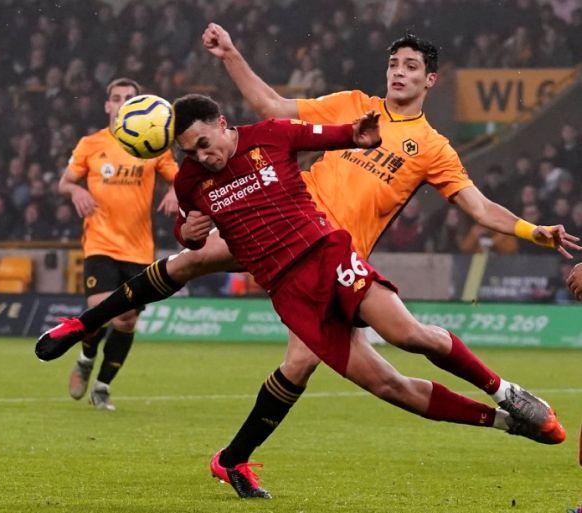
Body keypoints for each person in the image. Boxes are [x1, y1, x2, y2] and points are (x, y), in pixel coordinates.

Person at [36, 33, 577, 494]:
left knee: (358, 367)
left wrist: (534, 230)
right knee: (188, 261)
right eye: (393, 63)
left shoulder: (432, 147)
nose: (399, 73)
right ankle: (83, 325)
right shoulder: (350, 104)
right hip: (278, 222)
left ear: (430, 80)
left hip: (334, 253)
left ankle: (231, 458)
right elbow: (274, 109)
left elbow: (478, 208)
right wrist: (230, 56)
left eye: (411, 66)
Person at [58, 77, 178, 411]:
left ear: (136, 105)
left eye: (129, 97)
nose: (121, 101)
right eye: (116, 97)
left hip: (139, 248)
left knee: (126, 320)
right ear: (108, 105)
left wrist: (174, 190)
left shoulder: (154, 144)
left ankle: (102, 386)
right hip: (100, 242)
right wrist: (76, 190)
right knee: (100, 311)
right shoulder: (90, 144)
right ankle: (85, 357)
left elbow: (180, 178)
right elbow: (64, 182)